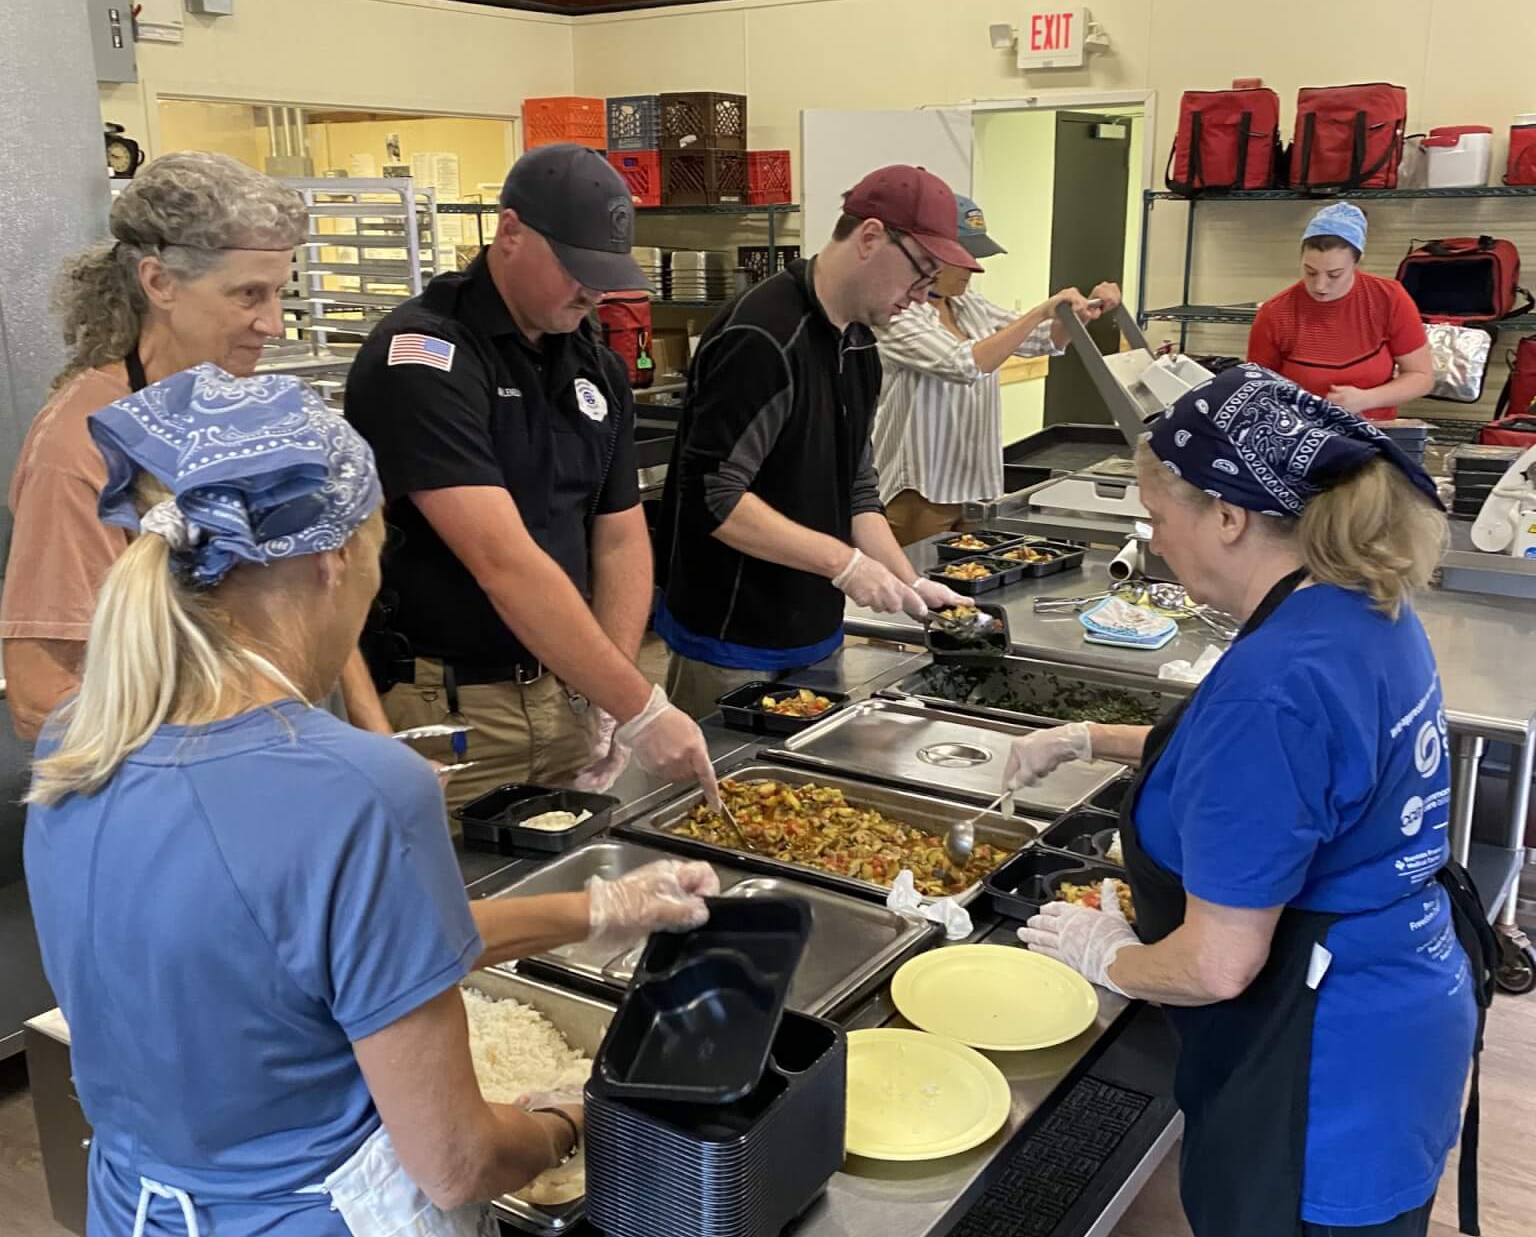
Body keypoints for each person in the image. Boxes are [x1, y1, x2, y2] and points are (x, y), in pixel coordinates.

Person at [22, 367, 719, 1237]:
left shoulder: (80, 744)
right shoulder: (354, 790)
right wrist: (567, 1121)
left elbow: (315, 955)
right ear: (342, 552)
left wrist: (593, 910)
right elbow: (451, 1155)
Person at [1005, 366, 1483, 1237]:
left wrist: (1111, 953)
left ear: (1229, 516)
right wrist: (1098, 742)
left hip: (1324, 1055)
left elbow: (1217, 963)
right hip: (1394, 1012)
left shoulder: (1286, 671)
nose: (1149, 529)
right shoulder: (1351, 609)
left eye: (1158, 502)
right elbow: (1264, 761)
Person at [345, 143, 717, 807]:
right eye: (576, 268)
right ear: (509, 232)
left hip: (569, 695)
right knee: (466, 902)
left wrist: (610, 687)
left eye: (605, 272)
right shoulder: (424, 359)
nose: (593, 290)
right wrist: (640, 706)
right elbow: (503, 561)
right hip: (456, 714)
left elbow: (621, 535)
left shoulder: (592, 363)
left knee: (577, 894)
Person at [1, 152, 387, 742]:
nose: (274, 323)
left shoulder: (237, 409)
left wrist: (372, 739)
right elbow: (40, 695)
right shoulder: (81, 444)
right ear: (158, 282)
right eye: (248, 295)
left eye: (279, 292)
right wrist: (226, 766)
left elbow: (316, 596)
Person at [653, 165, 973, 720]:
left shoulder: (861, 344)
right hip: (734, 637)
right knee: (720, 798)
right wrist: (845, 565)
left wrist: (907, 581)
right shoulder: (763, 337)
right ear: (871, 238)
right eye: (920, 275)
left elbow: (856, 486)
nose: (921, 298)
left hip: (814, 630)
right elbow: (715, 498)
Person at [873, 190, 1124, 547]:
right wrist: (1040, 310)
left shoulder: (967, 304)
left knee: (964, 589)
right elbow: (962, 363)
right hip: (921, 489)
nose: (977, 268)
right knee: (913, 592)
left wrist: (1080, 314)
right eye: (965, 257)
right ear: (928, 254)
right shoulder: (897, 314)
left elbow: (1038, 341)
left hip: (975, 484)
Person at [1246, 202, 1432, 422]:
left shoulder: (1389, 298)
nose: (1320, 286)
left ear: (1357, 261)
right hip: (1300, 434)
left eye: (1334, 275)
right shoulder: (1275, 313)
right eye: (1310, 272)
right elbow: (1256, 390)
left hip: (1374, 431)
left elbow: (1421, 377)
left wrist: (1366, 399)